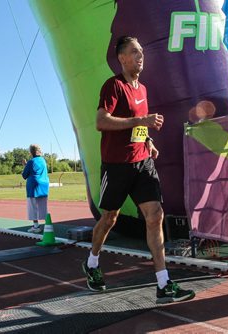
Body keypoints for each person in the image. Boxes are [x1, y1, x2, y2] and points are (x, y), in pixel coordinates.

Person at [82, 36, 195, 304]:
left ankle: (163, 283)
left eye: (141, 51)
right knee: (109, 218)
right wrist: (142, 120)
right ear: (122, 58)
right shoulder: (113, 85)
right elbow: (101, 121)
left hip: (143, 162)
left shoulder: (142, 89)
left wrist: (147, 140)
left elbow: (138, 127)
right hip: (117, 165)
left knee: (155, 215)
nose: (141, 56)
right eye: (135, 52)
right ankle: (93, 262)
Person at [22, 144, 50, 233]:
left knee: (33, 207)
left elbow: (24, 175)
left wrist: (25, 165)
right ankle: (48, 225)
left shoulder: (31, 162)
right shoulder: (43, 160)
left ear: (31, 152)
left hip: (33, 186)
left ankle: (36, 226)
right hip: (44, 185)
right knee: (43, 206)